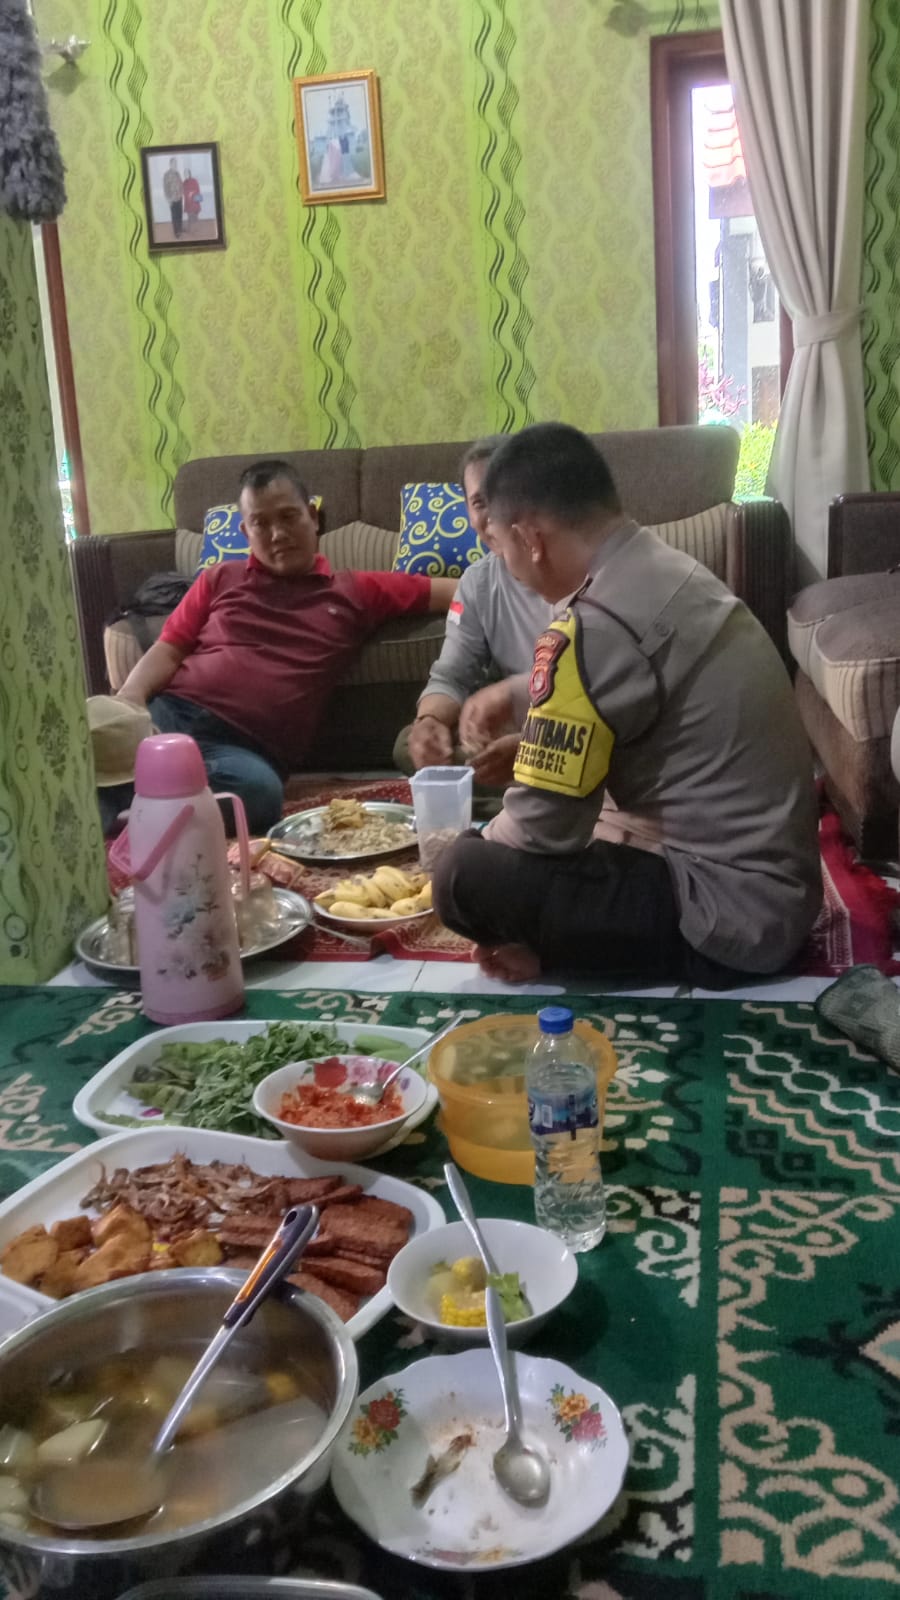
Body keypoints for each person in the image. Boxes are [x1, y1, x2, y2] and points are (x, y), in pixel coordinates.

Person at [432, 423, 822, 987]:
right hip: (778, 894)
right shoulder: (661, 568)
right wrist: (517, 698)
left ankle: (601, 956)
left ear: (531, 538)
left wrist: (479, 846)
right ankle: (572, 947)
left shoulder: (594, 626)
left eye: (501, 545)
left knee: (463, 874)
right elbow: (627, 694)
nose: (505, 564)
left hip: (725, 916)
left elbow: (544, 829)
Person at [116, 460, 455, 832]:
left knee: (261, 796)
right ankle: (146, 797)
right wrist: (131, 696)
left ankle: (145, 796)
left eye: (289, 517)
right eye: (261, 523)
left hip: (246, 752)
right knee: (96, 743)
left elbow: (458, 591)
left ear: (313, 517)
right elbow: (169, 648)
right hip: (175, 716)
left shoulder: (355, 590)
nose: (278, 534)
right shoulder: (219, 578)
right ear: (245, 531)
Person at [395, 437, 552, 790]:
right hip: (509, 725)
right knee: (410, 745)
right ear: (466, 511)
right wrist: (430, 722)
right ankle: (527, 787)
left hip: (572, 725)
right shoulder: (478, 581)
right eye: (480, 502)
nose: (494, 515)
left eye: (505, 495)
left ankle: (528, 787)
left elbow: (599, 687)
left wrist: (535, 745)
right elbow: (452, 673)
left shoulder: (570, 568)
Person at [163, 158, 183, 239]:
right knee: (174, 216)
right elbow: (165, 187)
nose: (175, 165)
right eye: (173, 163)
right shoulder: (167, 174)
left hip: (179, 198)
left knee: (180, 215)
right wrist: (168, 199)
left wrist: (181, 194)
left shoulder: (177, 173)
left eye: (176, 163)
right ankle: (176, 232)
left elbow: (180, 184)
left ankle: (180, 229)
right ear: (170, 164)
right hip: (172, 199)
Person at [182, 167, 201, 231]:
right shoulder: (184, 182)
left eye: (187, 173)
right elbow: (183, 191)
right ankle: (190, 229)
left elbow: (198, 190)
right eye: (184, 174)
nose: (185, 175)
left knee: (194, 217)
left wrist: (192, 193)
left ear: (189, 174)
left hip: (194, 202)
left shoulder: (194, 181)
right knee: (189, 216)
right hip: (188, 203)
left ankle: (195, 230)